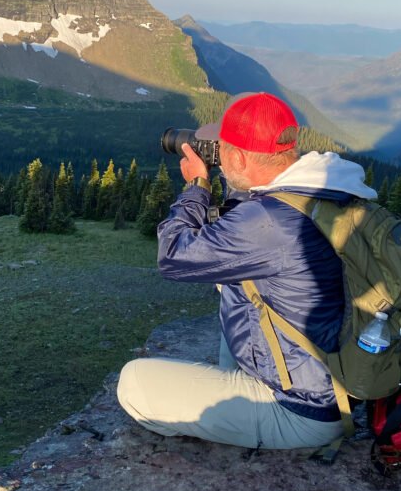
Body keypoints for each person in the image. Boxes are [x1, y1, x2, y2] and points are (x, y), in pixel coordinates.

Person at [117, 92, 377, 449]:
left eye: (222, 153)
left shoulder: (267, 220)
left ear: (238, 156)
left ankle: (240, 424)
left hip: (297, 411)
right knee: (234, 289)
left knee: (133, 382)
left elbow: (174, 255)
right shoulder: (320, 190)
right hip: (332, 384)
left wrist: (198, 186)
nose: (218, 161)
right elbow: (251, 216)